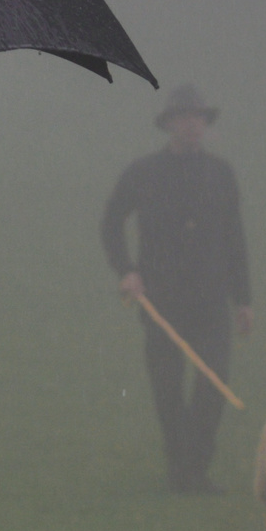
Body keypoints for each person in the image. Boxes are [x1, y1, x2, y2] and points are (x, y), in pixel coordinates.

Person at [101, 84, 251, 493]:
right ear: (169, 124)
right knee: (167, 390)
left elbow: (234, 237)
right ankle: (180, 470)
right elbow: (111, 223)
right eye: (184, 117)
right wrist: (127, 271)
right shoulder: (143, 172)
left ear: (206, 124)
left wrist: (244, 300)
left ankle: (196, 468)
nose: (192, 124)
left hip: (211, 300)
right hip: (161, 302)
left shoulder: (221, 174)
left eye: (199, 117)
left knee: (212, 384)